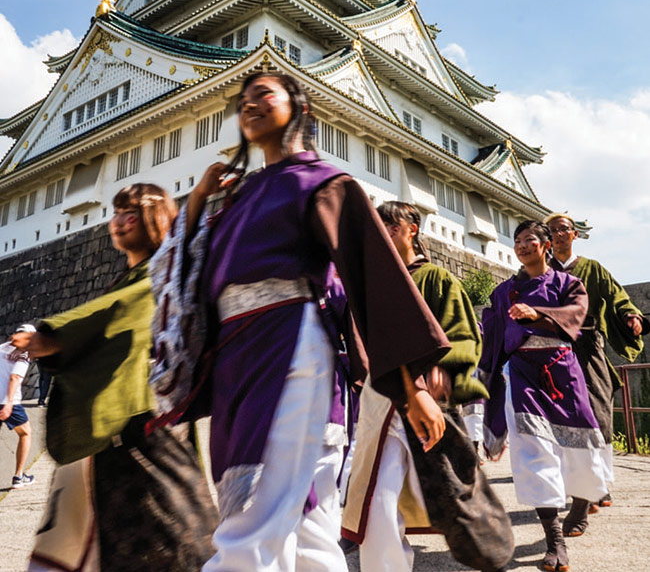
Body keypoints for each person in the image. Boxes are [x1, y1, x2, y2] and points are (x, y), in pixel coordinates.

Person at [147, 71, 452, 572]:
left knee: (252, 519)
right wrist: (199, 199)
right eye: (243, 100)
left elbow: (372, 285)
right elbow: (181, 275)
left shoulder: (325, 183)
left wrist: (409, 387)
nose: (251, 105)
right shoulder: (235, 199)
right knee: (311, 533)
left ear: (301, 108)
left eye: (264, 94)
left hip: (291, 350)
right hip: (238, 360)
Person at [12, 184, 218, 572]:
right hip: (127, 430)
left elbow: (116, 313)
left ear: (155, 219)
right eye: (117, 212)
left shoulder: (158, 277)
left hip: (147, 423)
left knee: (176, 538)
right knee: (129, 543)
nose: (119, 222)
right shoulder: (132, 278)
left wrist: (55, 336)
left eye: (132, 213)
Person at [341, 201, 513, 572]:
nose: (383, 233)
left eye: (390, 225)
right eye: (378, 226)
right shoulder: (372, 286)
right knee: (377, 498)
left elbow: (464, 333)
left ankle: (488, 541)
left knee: (451, 491)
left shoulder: (434, 278)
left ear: (411, 230)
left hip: (425, 401)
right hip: (378, 402)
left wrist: (444, 368)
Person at [479, 220, 608, 572]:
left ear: (546, 244)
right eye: (517, 240)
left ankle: (581, 504)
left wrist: (538, 314)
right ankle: (554, 540)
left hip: (562, 370)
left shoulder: (569, 283)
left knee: (580, 447)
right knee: (533, 451)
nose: (522, 245)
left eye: (530, 239)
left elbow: (576, 317)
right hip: (521, 374)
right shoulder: (504, 291)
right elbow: (491, 329)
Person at [546, 212, 649, 518]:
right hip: (553, 349)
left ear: (574, 234)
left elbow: (618, 296)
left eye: (563, 229)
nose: (558, 234)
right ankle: (577, 486)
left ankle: (600, 483)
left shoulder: (592, 268)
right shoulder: (542, 270)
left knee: (598, 411)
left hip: (589, 346)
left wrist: (631, 315)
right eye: (552, 230)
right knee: (559, 416)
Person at [0, 322, 37, 489]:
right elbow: (15, 378)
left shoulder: (1, 348)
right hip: (9, 402)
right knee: (25, 433)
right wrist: (8, 403)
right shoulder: (23, 354)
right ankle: (18, 476)